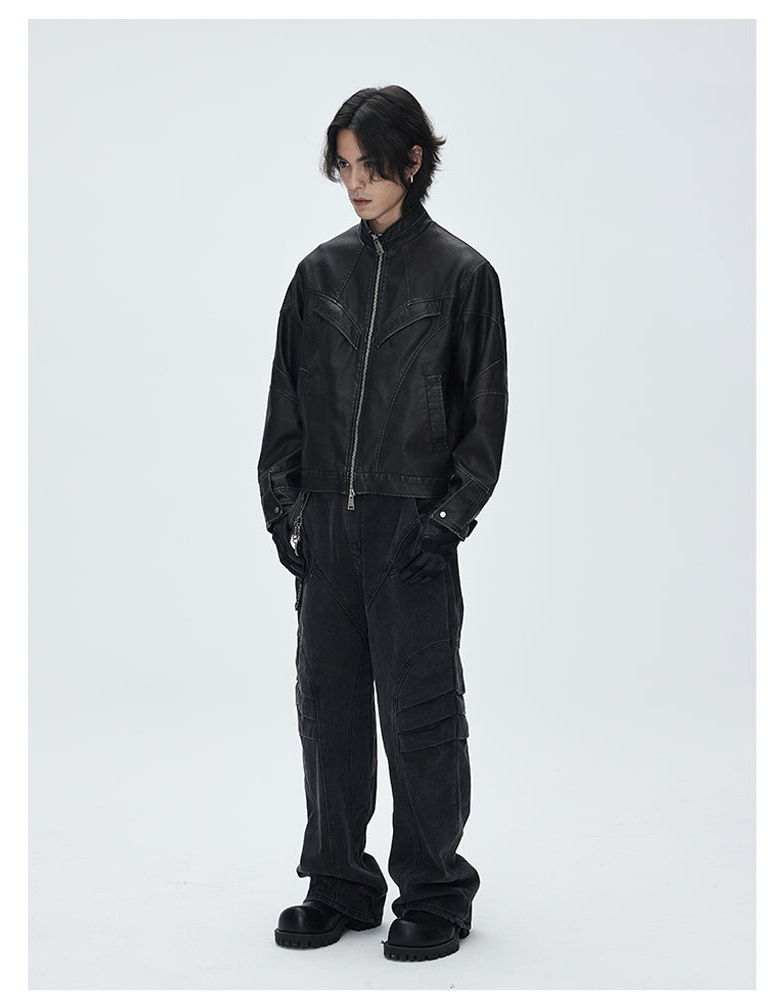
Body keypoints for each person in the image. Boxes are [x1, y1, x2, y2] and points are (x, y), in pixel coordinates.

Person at [257, 84, 508, 962]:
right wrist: (285, 511)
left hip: (411, 529)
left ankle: (435, 890)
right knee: (327, 710)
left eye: (369, 164)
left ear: (413, 160)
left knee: (421, 714)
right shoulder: (317, 275)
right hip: (328, 527)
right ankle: (340, 881)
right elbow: (285, 407)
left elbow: (483, 420)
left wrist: (446, 522)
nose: (355, 182)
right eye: (343, 166)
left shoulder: (463, 276)